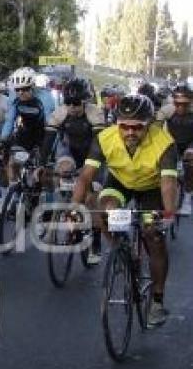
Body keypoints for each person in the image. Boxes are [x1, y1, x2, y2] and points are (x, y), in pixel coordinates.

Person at [70, 94, 178, 326]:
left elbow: (168, 184)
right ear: (116, 123)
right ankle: (120, 249)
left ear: (148, 124)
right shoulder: (105, 138)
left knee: (153, 235)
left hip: (152, 188)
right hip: (120, 182)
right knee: (105, 211)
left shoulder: (164, 143)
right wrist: (74, 209)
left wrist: (168, 214)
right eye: (124, 126)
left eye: (137, 128)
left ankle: (157, 301)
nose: (130, 132)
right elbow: (85, 177)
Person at [40, 77, 105, 264]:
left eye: (76, 103)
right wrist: (42, 163)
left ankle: (96, 242)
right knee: (64, 169)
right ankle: (69, 209)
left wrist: (88, 172)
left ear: (86, 101)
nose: (72, 107)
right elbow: (49, 140)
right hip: (70, 151)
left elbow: (98, 146)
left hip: (94, 153)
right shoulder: (60, 113)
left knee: (92, 196)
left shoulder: (95, 114)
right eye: (67, 102)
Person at [158, 82, 193, 215]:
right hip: (172, 143)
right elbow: (155, 130)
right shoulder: (167, 110)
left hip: (190, 143)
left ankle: (187, 199)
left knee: (190, 164)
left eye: (185, 104)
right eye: (177, 103)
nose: (181, 107)